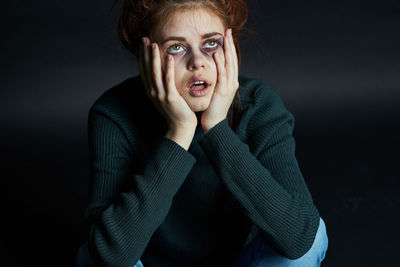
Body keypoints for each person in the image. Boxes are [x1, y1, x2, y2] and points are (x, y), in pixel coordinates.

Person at [76, 0, 329, 266]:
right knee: (93, 257)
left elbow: (298, 238)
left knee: (313, 234)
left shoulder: (259, 104)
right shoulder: (113, 114)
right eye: (176, 47)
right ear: (145, 56)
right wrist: (180, 132)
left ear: (230, 46)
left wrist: (217, 128)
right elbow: (109, 255)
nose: (197, 62)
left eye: (210, 43)